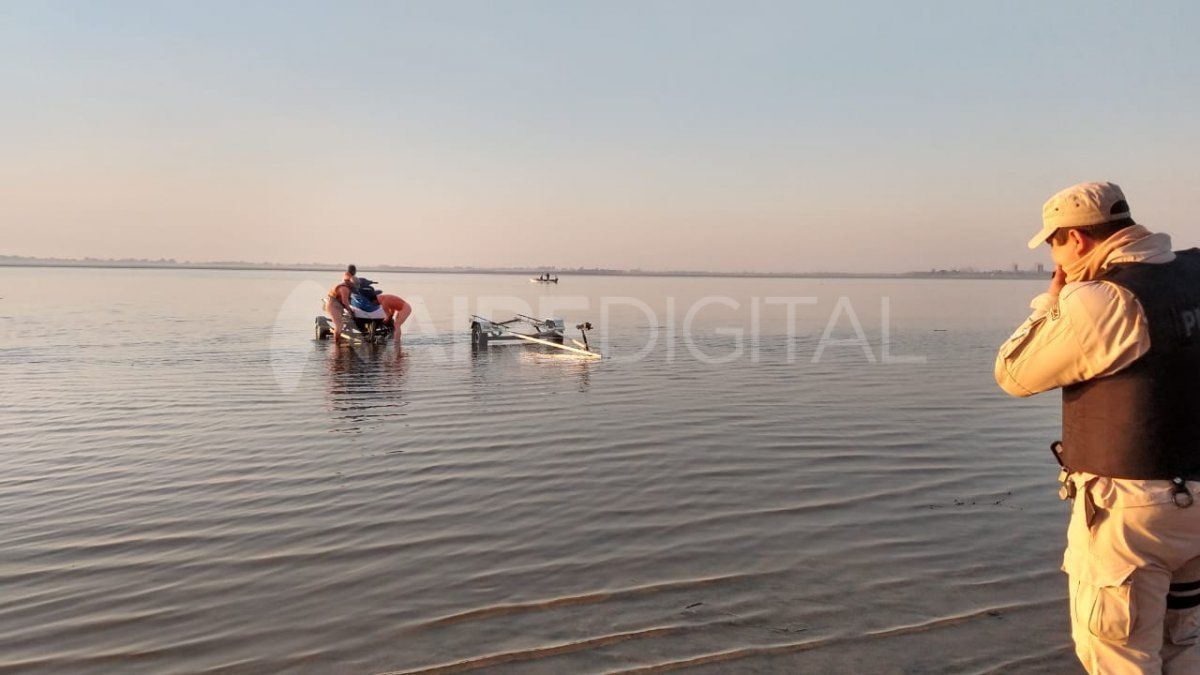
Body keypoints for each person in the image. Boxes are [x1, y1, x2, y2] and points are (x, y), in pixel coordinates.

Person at [994, 181, 1200, 673]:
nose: (1055, 259)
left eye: (1054, 244)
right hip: (1195, 504)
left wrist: (1052, 303)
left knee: (1119, 655)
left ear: (1078, 240)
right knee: (1185, 647)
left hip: (1131, 515)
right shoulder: (1194, 273)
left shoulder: (1103, 301)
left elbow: (1013, 374)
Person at [324, 276, 354, 342]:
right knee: (339, 324)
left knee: (341, 323)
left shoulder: (349, 288)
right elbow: (345, 302)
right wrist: (350, 311)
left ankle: (340, 338)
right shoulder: (344, 288)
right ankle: (336, 343)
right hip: (333, 306)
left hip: (338, 306)